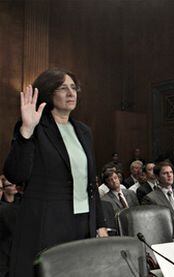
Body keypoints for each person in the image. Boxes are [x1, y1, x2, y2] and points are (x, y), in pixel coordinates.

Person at [3, 68, 107, 277]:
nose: (71, 93)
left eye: (73, 88)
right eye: (62, 88)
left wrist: (100, 224)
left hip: (83, 222)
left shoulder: (84, 131)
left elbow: (90, 183)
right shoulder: (35, 127)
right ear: (49, 93)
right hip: (47, 222)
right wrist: (26, 131)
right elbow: (16, 174)